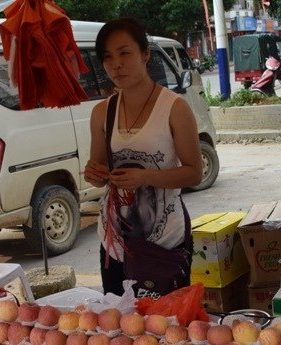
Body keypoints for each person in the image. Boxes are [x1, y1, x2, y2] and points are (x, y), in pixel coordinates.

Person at [83, 18, 202, 297]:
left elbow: (194, 172)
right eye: (107, 57)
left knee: (168, 324)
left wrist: (146, 177)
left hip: (165, 240)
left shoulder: (174, 108)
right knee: (120, 322)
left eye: (125, 53)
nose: (116, 64)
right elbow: (98, 175)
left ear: (145, 54)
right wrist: (95, 174)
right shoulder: (102, 112)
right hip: (115, 240)